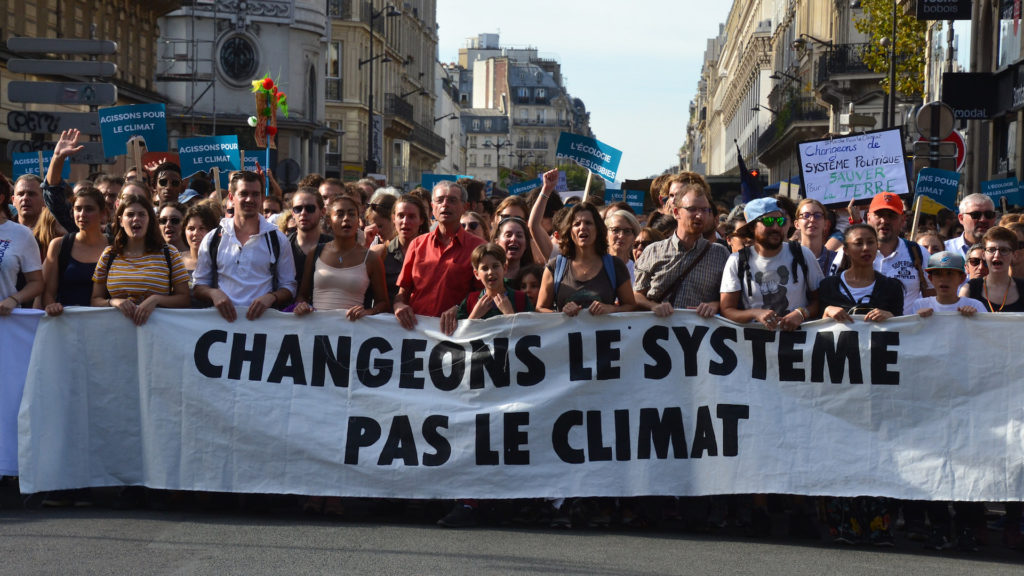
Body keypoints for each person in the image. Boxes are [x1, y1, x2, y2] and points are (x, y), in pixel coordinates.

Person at [192, 171, 297, 322]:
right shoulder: (213, 238)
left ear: (262, 198)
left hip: (263, 327)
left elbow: (289, 287)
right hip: (221, 326)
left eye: (255, 194)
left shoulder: (278, 240)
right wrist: (214, 294)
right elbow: (198, 286)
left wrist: (271, 297)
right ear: (231, 197)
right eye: (244, 193)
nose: (250, 199)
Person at [393, 181, 485, 334]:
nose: (445, 205)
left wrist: (459, 308)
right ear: (432, 207)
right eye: (440, 200)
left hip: (457, 335)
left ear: (465, 207)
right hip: (417, 334)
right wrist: (399, 306)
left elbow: (487, 294)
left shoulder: (479, 248)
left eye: (452, 200)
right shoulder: (417, 244)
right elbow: (402, 294)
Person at [633, 174, 730, 318]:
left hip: (700, 337)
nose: (699, 215)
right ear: (677, 212)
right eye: (692, 209)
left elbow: (731, 299)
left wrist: (715, 305)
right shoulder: (652, 251)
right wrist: (654, 306)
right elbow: (636, 295)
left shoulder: (721, 254)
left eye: (705, 210)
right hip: (658, 335)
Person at [720, 197, 822, 329]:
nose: (776, 227)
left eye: (780, 221)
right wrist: (755, 313)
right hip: (753, 345)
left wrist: (801, 313)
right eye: (768, 221)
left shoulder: (802, 254)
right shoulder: (736, 261)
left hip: (799, 345)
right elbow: (727, 309)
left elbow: (820, 300)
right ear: (752, 227)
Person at [90, 193, 190, 325]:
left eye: (142, 214)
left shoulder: (169, 253)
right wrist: (113, 302)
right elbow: (95, 300)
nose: (136, 219)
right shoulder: (109, 254)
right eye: (130, 214)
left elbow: (185, 299)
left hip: (159, 332)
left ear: (150, 220)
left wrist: (156, 300)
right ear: (120, 220)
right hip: (116, 332)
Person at [829, 192, 933, 314]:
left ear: (903, 219)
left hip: (905, 331)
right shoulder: (847, 253)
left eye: (891, 215)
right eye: (879, 215)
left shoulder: (919, 253)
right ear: (868, 218)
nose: (884, 220)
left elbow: (931, 299)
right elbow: (831, 293)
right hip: (857, 330)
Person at [293, 195, 389, 320]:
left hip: (353, 334)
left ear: (358, 220)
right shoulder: (315, 252)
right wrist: (302, 305)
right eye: (339, 214)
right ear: (329, 221)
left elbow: (383, 303)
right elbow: (302, 295)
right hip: (316, 334)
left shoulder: (371, 258)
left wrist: (368, 312)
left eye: (351, 214)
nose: (346, 219)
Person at [535, 202, 638, 315]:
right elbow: (540, 309)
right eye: (577, 224)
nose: (582, 227)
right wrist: (562, 314)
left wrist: (612, 309)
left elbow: (631, 306)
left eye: (588, 223)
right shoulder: (555, 267)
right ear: (570, 231)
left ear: (598, 229)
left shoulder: (615, 265)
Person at [42, 188, 110, 315]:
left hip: (104, 324)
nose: (82, 214)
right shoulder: (59, 245)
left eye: (89, 209)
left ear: (103, 213)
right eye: (78, 209)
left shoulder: (116, 247)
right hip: (66, 324)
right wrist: (51, 306)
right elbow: (48, 293)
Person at [442, 242, 533, 335]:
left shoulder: (521, 299)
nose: (490, 272)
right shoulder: (470, 301)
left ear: (504, 268)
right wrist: (474, 316)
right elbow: (459, 337)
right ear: (477, 274)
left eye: (495, 266)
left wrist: (509, 314)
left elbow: (532, 334)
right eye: (485, 268)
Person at [817, 224, 903, 323]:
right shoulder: (828, 286)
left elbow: (901, 329)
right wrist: (826, 312)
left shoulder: (892, 287)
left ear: (877, 246)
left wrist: (891, 317)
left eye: (870, 242)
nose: (866, 248)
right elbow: (818, 329)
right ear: (846, 250)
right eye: (858, 243)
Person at [369, 194, 430, 308]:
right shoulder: (380, 252)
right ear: (393, 219)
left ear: (421, 220)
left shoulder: (433, 252)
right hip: (387, 322)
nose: (405, 221)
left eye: (411, 216)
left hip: (422, 322)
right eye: (400, 216)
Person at [0, 174, 43, 315]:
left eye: (31, 194)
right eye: (21, 194)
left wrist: (14, 299)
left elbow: (36, 283)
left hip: (6, 322)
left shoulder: (21, 234)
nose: (26, 198)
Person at [961, 226, 1024, 312]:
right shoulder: (969, 289)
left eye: (1004, 250)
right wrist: (964, 313)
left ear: (1014, 255)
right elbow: (957, 322)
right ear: (984, 254)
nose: (997, 255)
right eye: (991, 250)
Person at [910, 251, 987, 316]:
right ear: (930, 278)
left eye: (950, 273)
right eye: (937, 274)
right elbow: (910, 332)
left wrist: (976, 318)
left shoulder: (975, 306)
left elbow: (988, 331)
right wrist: (917, 320)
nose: (943, 279)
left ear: (962, 278)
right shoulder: (919, 305)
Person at [286, 188, 332, 284]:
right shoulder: (283, 245)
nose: (303, 213)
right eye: (298, 209)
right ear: (293, 213)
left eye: (310, 208)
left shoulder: (333, 246)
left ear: (322, 212)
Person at [794, 198, 837, 276]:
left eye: (818, 215)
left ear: (825, 224)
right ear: (797, 224)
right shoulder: (788, 257)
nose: (812, 219)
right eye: (806, 215)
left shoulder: (836, 260)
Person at [492, 215, 537, 280]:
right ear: (497, 242)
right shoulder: (489, 274)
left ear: (526, 244)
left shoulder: (535, 277)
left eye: (519, 236)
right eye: (508, 235)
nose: (514, 239)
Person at [181, 203, 219, 279]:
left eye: (202, 228)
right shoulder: (176, 261)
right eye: (191, 228)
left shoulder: (221, 261)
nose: (195, 233)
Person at [605, 209, 641, 282]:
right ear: (606, 234)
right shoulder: (594, 266)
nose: (621, 236)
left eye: (627, 231)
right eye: (615, 230)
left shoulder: (638, 272)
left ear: (634, 237)